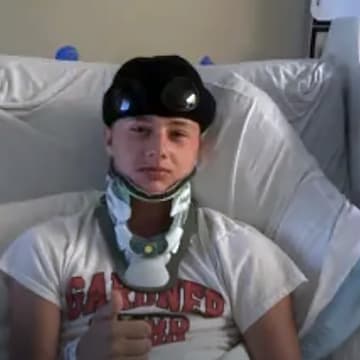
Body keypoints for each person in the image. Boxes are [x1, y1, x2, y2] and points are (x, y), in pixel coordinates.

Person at [0, 55, 306, 360]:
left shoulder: (245, 253)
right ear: (109, 140)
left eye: (177, 134)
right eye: (140, 130)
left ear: (199, 147)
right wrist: (78, 356)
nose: (158, 150)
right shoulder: (44, 250)